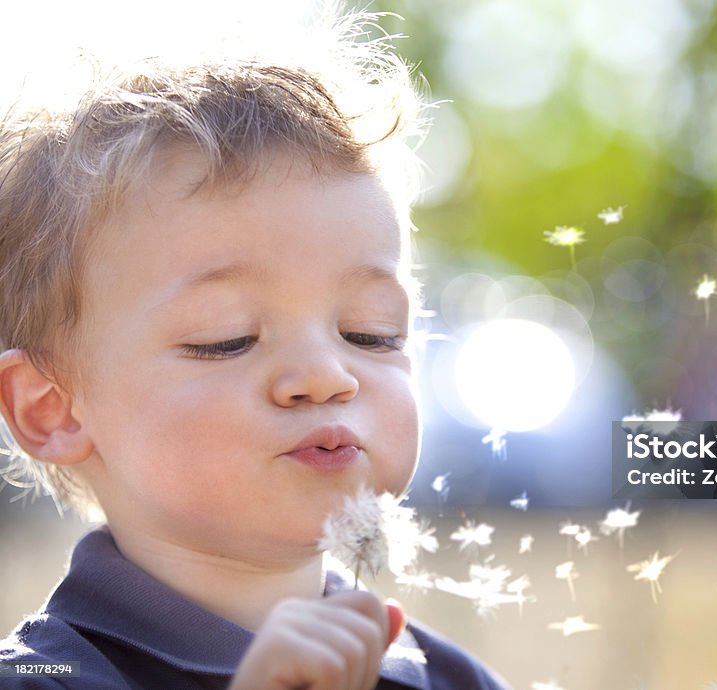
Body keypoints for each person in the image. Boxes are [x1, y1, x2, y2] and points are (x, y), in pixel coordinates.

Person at [0, 9, 509, 690]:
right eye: (227, 339)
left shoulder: (450, 678)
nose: (328, 376)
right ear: (52, 409)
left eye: (370, 333)